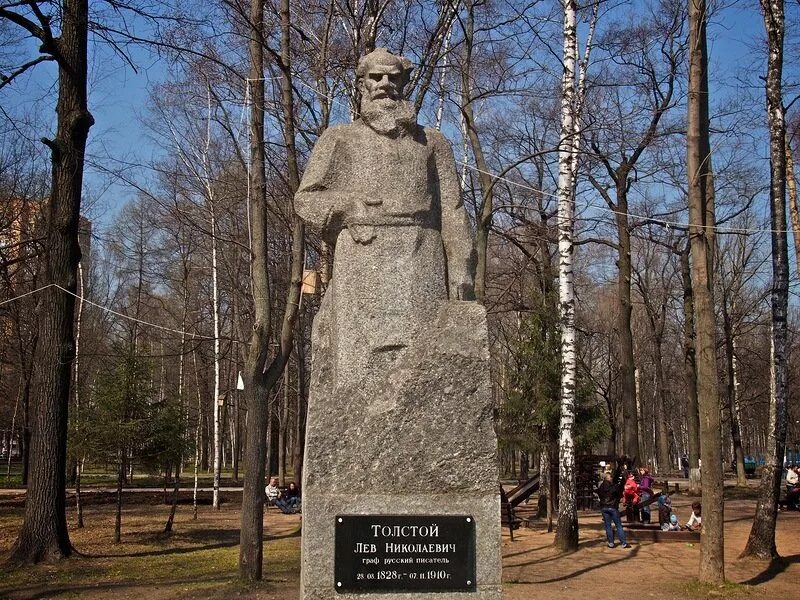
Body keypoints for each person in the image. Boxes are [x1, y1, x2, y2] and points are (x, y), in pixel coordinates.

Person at [295, 48, 476, 391]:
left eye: (393, 77)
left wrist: (461, 268)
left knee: (423, 368)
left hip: (421, 257)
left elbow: (453, 210)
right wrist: (348, 205)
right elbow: (305, 200)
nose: (384, 84)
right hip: (362, 257)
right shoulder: (339, 138)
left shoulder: (433, 142)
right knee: (358, 371)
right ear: (362, 84)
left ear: (404, 82)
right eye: (376, 77)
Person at [597, 472, 631, 549]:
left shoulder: (601, 487)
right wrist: (623, 479)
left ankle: (611, 543)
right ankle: (623, 543)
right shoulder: (614, 487)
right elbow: (619, 490)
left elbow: (599, 495)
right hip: (613, 507)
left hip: (604, 507)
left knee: (608, 526)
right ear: (610, 478)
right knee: (618, 525)